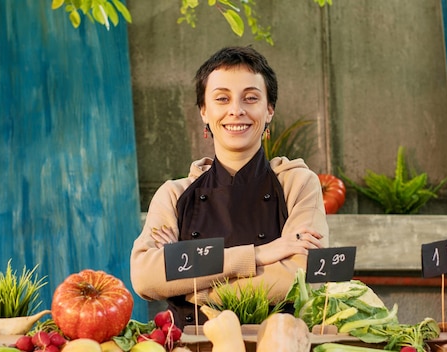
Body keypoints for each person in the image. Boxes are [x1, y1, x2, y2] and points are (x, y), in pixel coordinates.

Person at [130, 46, 329, 328]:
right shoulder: (174, 195)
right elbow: (145, 277)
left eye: (251, 98)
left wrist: (189, 286)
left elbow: (301, 279)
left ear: (269, 110)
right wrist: (258, 255)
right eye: (222, 98)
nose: (236, 110)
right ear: (204, 111)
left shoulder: (297, 183)